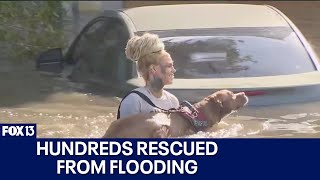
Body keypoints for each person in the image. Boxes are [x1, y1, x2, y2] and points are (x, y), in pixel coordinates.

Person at [117, 33, 179, 119]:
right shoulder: (134, 100)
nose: (173, 70)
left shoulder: (173, 102)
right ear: (153, 69)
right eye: (169, 66)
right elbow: (125, 131)